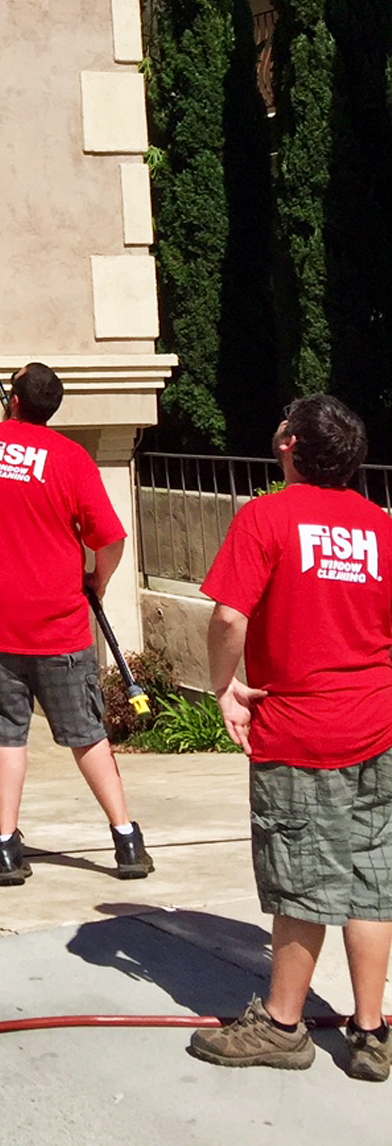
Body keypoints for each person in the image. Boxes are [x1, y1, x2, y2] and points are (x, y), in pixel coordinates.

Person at [191, 394, 392, 1080]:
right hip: (377, 728)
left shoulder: (268, 517)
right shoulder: (381, 527)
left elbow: (226, 620)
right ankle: (370, 1032)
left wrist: (223, 688)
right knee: (372, 880)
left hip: (301, 733)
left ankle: (282, 1026)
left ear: (289, 447)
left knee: (300, 883)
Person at [0, 360, 153, 886]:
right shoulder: (72, 460)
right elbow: (110, 537)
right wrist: (97, 583)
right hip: (58, 625)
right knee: (86, 733)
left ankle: (6, 847)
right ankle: (125, 840)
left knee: (5, 736)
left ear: (13, 399)